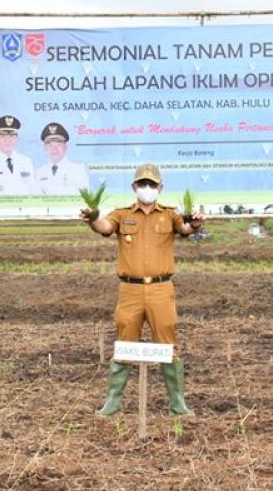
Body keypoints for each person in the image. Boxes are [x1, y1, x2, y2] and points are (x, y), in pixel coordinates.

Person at [81, 164, 203, 416]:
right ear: (134, 187)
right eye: (142, 184)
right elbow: (104, 227)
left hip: (161, 289)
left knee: (168, 343)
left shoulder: (169, 215)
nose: (147, 189)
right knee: (124, 342)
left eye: (152, 184)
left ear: (160, 188)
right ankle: (113, 402)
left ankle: (177, 403)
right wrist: (93, 219)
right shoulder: (122, 214)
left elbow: (186, 229)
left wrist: (196, 223)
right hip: (130, 291)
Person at [0, 115, 35, 194]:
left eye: (11, 136)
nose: (7, 140)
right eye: (3, 136)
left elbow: (33, 192)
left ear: (17, 138)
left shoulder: (26, 161)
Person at [36, 123, 90, 194]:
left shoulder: (77, 170)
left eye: (58, 144)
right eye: (50, 145)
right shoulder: (39, 172)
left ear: (65, 146)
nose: (54, 149)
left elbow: (84, 199)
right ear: (45, 148)